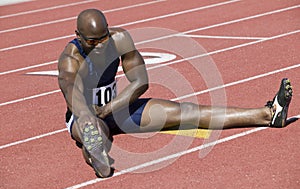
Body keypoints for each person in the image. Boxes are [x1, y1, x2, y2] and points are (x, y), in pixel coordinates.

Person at [58, 9, 293, 178]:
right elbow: (72, 95)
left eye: (103, 38)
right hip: (84, 115)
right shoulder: (70, 60)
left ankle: (267, 115)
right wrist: (91, 116)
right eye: (92, 41)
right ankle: (98, 156)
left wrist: (109, 108)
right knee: (95, 130)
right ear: (78, 36)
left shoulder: (119, 40)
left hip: (118, 107)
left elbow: (140, 81)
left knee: (187, 112)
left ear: (109, 31)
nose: (100, 46)